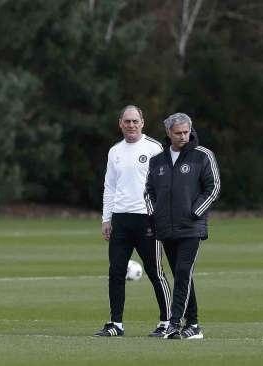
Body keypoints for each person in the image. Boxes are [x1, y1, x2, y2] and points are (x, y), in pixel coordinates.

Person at [94, 105, 172, 337]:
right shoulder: (115, 151)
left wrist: (161, 214)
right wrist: (106, 219)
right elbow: (110, 186)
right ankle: (116, 324)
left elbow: (165, 185)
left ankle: (167, 322)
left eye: (135, 121)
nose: (131, 125)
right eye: (127, 121)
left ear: (142, 122)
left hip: (147, 219)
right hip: (121, 219)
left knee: (155, 271)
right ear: (120, 124)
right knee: (116, 271)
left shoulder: (154, 148)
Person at [144, 112, 221, 340]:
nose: (183, 136)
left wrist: (194, 212)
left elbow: (213, 187)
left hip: (191, 228)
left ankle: (174, 323)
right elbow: (149, 191)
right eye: (178, 133)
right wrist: (155, 214)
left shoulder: (202, 156)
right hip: (166, 227)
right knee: (182, 275)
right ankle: (194, 325)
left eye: (186, 132)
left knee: (182, 273)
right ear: (169, 133)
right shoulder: (157, 160)